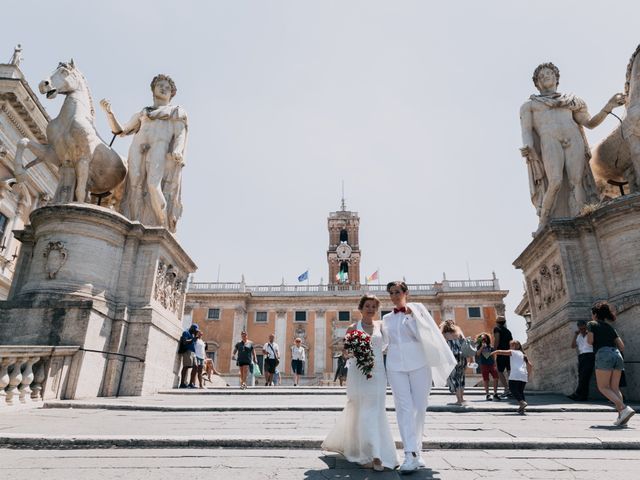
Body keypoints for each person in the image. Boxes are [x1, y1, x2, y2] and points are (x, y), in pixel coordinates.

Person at [520, 62, 625, 229]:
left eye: (549, 74)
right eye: (541, 76)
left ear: (556, 78)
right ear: (537, 83)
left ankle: (583, 218)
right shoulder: (529, 105)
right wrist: (528, 146)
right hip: (550, 141)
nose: (546, 77)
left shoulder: (571, 101)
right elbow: (526, 130)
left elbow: (590, 123)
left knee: (577, 181)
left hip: (573, 138)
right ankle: (543, 222)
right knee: (555, 180)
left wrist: (608, 106)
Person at [382, 281, 457, 473]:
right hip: (395, 365)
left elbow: (428, 336)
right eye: (391, 293)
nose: (394, 295)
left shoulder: (419, 312)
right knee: (403, 408)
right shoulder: (388, 319)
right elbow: (383, 343)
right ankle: (409, 454)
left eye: (397, 292)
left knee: (419, 407)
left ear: (406, 293)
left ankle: (417, 451)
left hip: (419, 364)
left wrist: (411, 319)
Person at [100, 74, 188, 232]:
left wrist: (177, 150)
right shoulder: (143, 113)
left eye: (167, 88)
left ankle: (162, 226)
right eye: (160, 85)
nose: (163, 88)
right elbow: (120, 131)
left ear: (172, 94)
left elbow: (181, 134)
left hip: (159, 147)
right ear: (153, 89)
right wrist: (109, 113)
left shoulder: (175, 112)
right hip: (137, 148)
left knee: (153, 185)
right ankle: (133, 224)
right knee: (134, 187)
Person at [322, 295, 398, 471]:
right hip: (358, 372)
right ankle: (367, 453)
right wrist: (357, 353)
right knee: (361, 409)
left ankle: (378, 452)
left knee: (377, 410)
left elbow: (389, 347)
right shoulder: (352, 328)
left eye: (373, 306)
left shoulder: (382, 326)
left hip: (378, 372)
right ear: (361, 308)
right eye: (367, 306)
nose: (370, 309)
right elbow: (346, 352)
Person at [587, 301, 635, 426]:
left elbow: (590, 341)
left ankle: (623, 408)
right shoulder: (611, 327)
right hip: (617, 354)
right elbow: (622, 346)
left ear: (595, 314)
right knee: (614, 388)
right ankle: (622, 416)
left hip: (603, 354)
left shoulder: (592, 324)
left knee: (603, 387)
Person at [492, 340, 533, 414]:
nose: (509, 347)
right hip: (523, 375)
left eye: (510, 346)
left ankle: (522, 402)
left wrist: (495, 352)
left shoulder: (513, 352)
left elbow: (501, 352)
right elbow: (530, 365)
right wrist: (527, 375)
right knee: (520, 392)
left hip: (515, 374)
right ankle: (522, 409)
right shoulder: (523, 354)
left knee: (512, 388)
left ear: (514, 346)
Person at [440, 319, 467, 405]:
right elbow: (465, 343)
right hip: (462, 357)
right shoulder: (459, 332)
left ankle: (459, 400)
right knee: (461, 378)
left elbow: (442, 346)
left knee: (454, 378)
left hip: (452, 358)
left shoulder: (444, 334)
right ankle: (462, 399)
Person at [568, 320, 595, 401]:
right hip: (581, 356)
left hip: (590, 355)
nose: (582, 330)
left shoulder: (590, 335)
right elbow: (572, 346)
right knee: (582, 376)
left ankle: (577, 393)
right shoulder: (578, 336)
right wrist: (575, 335)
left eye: (583, 328)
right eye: (580, 329)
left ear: (586, 327)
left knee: (585, 376)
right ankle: (583, 396)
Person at [493, 316, 513, 397]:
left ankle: (506, 389)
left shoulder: (497, 329)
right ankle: (512, 389)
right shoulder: (508, 331)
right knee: (509, 371)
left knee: (500, 371)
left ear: (497, 322)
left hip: (501, 352)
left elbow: (497, 339)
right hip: (508, 352)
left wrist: (494, 349)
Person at [476, 333, 500, 401]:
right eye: (482, 338)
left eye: (485, 338)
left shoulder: (490, 347)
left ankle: (495, 393)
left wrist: (495, 364)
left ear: (487, 339)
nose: (483, 339)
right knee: (486, 379)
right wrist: (482, 347)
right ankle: (488, 394)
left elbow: (492, 356)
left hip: (491, 364)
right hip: (484, 365)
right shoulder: (479, 346)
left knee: (496, 378)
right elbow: (477, 354)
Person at [178, 324, 198, 389]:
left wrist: (194, 338)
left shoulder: (192, 335)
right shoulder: (186, 332)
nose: (195, 332)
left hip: (193, 352)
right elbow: (184, 342)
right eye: (195, 330)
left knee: (196, 366)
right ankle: (182, 383)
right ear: (192, 328)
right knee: (186, 366)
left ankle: (191, 383)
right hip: (187, 351)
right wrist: (192, 339)